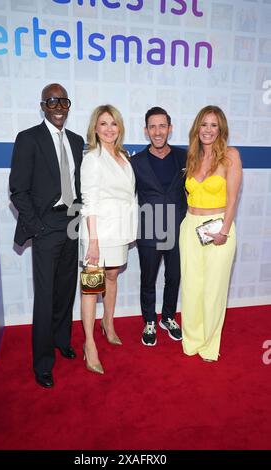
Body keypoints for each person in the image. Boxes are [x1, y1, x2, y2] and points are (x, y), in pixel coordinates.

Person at [9, 83, 84, 388]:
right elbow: (18, 190)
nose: (58, 107)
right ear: (43, 105)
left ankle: (62, 340)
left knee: (66, 289)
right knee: (45, 297)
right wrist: (38, 227)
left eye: (63, 101)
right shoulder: (29, 139)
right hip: (46, 226)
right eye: (52, 101)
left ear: (68, 106)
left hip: (72, 223)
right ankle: (42, 362)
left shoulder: (78, 141)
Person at [179, 105, 242, 362]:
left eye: (213, 125)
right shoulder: (192, 157)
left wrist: (224, 231)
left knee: (214, 289)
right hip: (190, 226)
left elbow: (233, 198)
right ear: (197, 128)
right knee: (192, 287)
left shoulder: (230, 156)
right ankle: (192, 340)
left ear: (221, 129)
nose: (208, 130)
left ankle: (209, 344)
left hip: (219, 228)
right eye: (204, 124)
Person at [80, 104, 137, 374]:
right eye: (103, 123)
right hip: (98, 233)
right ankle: (89, 344)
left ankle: (108, 323)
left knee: (112, 276)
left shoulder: (123, 157)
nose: (109, 129)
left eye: (113, 123)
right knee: (92, 286)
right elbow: (88, 201)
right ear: (95, 128)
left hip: (120, 231)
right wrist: (92, 241)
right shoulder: (92, 158)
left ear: (120, 128)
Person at [131, 107, 187, 346]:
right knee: (149, 279)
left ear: (170, 129)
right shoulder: (135, 162)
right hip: (149, 229)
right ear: (146, 131)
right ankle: (149, 320)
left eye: (162, 126)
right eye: (152, 126)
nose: (157, 131)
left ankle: (168, 316)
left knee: (174, 277)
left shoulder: (184, 157)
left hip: (178, 227)